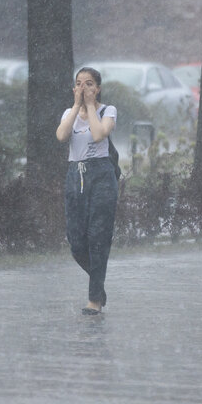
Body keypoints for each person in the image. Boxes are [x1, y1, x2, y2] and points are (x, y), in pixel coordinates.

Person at [56, 67, 118, 315]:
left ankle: (94, 300)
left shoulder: (107, 111)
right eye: (79, 83)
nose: (84, 88)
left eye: (89, 83)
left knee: (98, 239)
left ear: (98, 88)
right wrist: (76, 106)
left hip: (101, 176)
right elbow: (61, 136)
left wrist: (91, 106)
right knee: (76, 241)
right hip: (75, 177)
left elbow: (99, 134)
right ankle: (99, 288)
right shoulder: (68, 114)